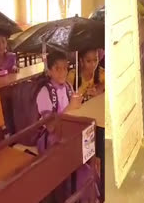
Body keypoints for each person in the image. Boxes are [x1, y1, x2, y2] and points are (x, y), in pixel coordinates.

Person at [36, 52, 97, 202]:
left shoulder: (69, 87)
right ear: (49, 70)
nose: (63, 72)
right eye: (57, 69)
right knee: (81, 164)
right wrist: (70, 107)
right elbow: (50, 127)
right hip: (50, 140)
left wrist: (80, 102)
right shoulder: (45, 92)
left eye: (65, 68)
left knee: (90, 149)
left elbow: (75, 113)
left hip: (68, 135)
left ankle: (87, 188)